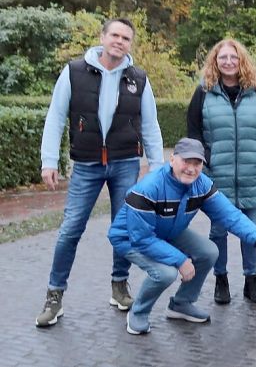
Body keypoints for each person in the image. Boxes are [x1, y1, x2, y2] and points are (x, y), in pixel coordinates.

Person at [35, 18, 165, 328]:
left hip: (125, 164)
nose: (120, 42)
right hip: (87, 164)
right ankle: (55, 295)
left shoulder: (139, 79)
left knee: (125, 229)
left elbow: (150, 125)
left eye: (126, 38)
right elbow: (55, 117)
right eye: (115, 35)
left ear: (130, 44)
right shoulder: (74, 72)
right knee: (70, 229)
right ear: (102, 37)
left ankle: (120, 286)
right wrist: (49, 160)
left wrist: (157, 167)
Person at [107, 138, 256, 335]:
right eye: (186, 161)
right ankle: (138, 312)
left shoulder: (202, 185)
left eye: (197, 163)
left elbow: (228, 214)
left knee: (209, 252)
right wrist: (180, 260)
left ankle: (181, 304)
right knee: (166, 273)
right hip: (130, 238)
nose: (191, 168)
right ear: (172, 159)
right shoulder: (148, 188)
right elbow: (142, 239)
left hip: (167, 231)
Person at [187, 39, 256, 305]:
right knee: (218, 232)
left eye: (233, 57)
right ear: (215, 60)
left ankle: (251, 280)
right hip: (217, 176)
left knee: (250, 231)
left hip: (250, 173)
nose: (228, 62)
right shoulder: (204, 92)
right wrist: (206, 158)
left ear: (241, 60)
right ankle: (221, 278)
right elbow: (193, 131)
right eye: (222, 57)